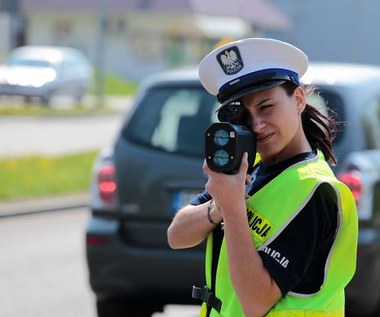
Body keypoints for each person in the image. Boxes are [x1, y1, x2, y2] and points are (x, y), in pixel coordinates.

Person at [167, 38, 358, 317]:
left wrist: (233, 210)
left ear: (299, 100)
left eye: (266, 106)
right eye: (244, 115)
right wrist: (219, 206)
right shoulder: (248, 169)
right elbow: (177, 236)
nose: (256, 125)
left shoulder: (317, 190)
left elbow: (255, 302)